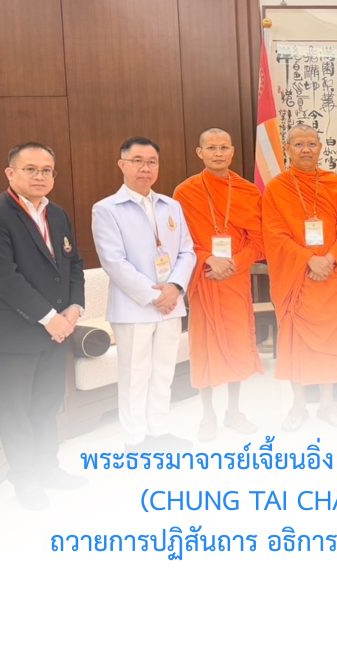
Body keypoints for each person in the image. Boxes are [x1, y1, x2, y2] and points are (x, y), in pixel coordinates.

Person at [0, 142, 86, 510]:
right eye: (30, 169)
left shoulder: (58, 214)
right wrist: (51, 319)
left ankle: (48, 468)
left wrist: (74, 308)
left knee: (47, 404)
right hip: (13, 335)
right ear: (11, 173)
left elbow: (74, 263)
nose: (40, 176)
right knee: (17, 410)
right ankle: (25, 480)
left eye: (46, 170)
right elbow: (4, 277)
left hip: (56, 332)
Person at [92, 137, 196, 451]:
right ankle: (135, 439)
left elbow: (187, 252)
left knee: (164, 371)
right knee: (135, 374)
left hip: (171, 304)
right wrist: (155, 296)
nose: (145, 168)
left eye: (151, 162)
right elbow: (113, 261)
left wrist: (174, 288)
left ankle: (159, 431)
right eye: (137, 161)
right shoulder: (106, 209)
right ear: (122, 165)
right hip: (134, 307)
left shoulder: (171, 205)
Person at [263, 124, 337, 429]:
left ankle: (328, 404)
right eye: (299, 144)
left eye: (311, 144)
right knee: (296, 344)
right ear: (288, 149)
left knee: (329, 343)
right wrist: (309, 260)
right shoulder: (277, 189)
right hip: (296, 278)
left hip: (330, 278)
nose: (306, 149)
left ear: (320, 148)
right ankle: (298, 406)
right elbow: (274, 235)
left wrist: (329, 260)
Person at [173, 128, 264, 441]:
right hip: (206, 278)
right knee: (206, 347)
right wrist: (209, 258)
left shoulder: (248, 191)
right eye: (211, 148)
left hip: (235, 280)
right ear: (199, 152)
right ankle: (208, 415)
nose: (218, 153)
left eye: (224, 147)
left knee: (237, 344)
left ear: (232, 151)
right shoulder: (185, 192)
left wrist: (234, 263)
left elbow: (259, 240)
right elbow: (180, 241)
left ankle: (234, 411)